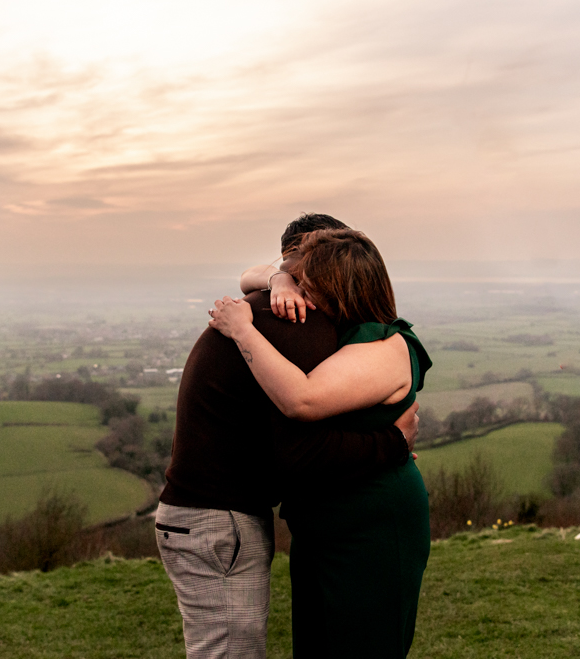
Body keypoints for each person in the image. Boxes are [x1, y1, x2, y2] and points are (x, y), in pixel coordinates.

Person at [156, 215, 420, 659]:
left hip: (208, 518)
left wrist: (275, 283)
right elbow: (302, 434)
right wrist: (393, 443)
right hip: (219, 520)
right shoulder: (295, 320)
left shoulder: (271, 309)